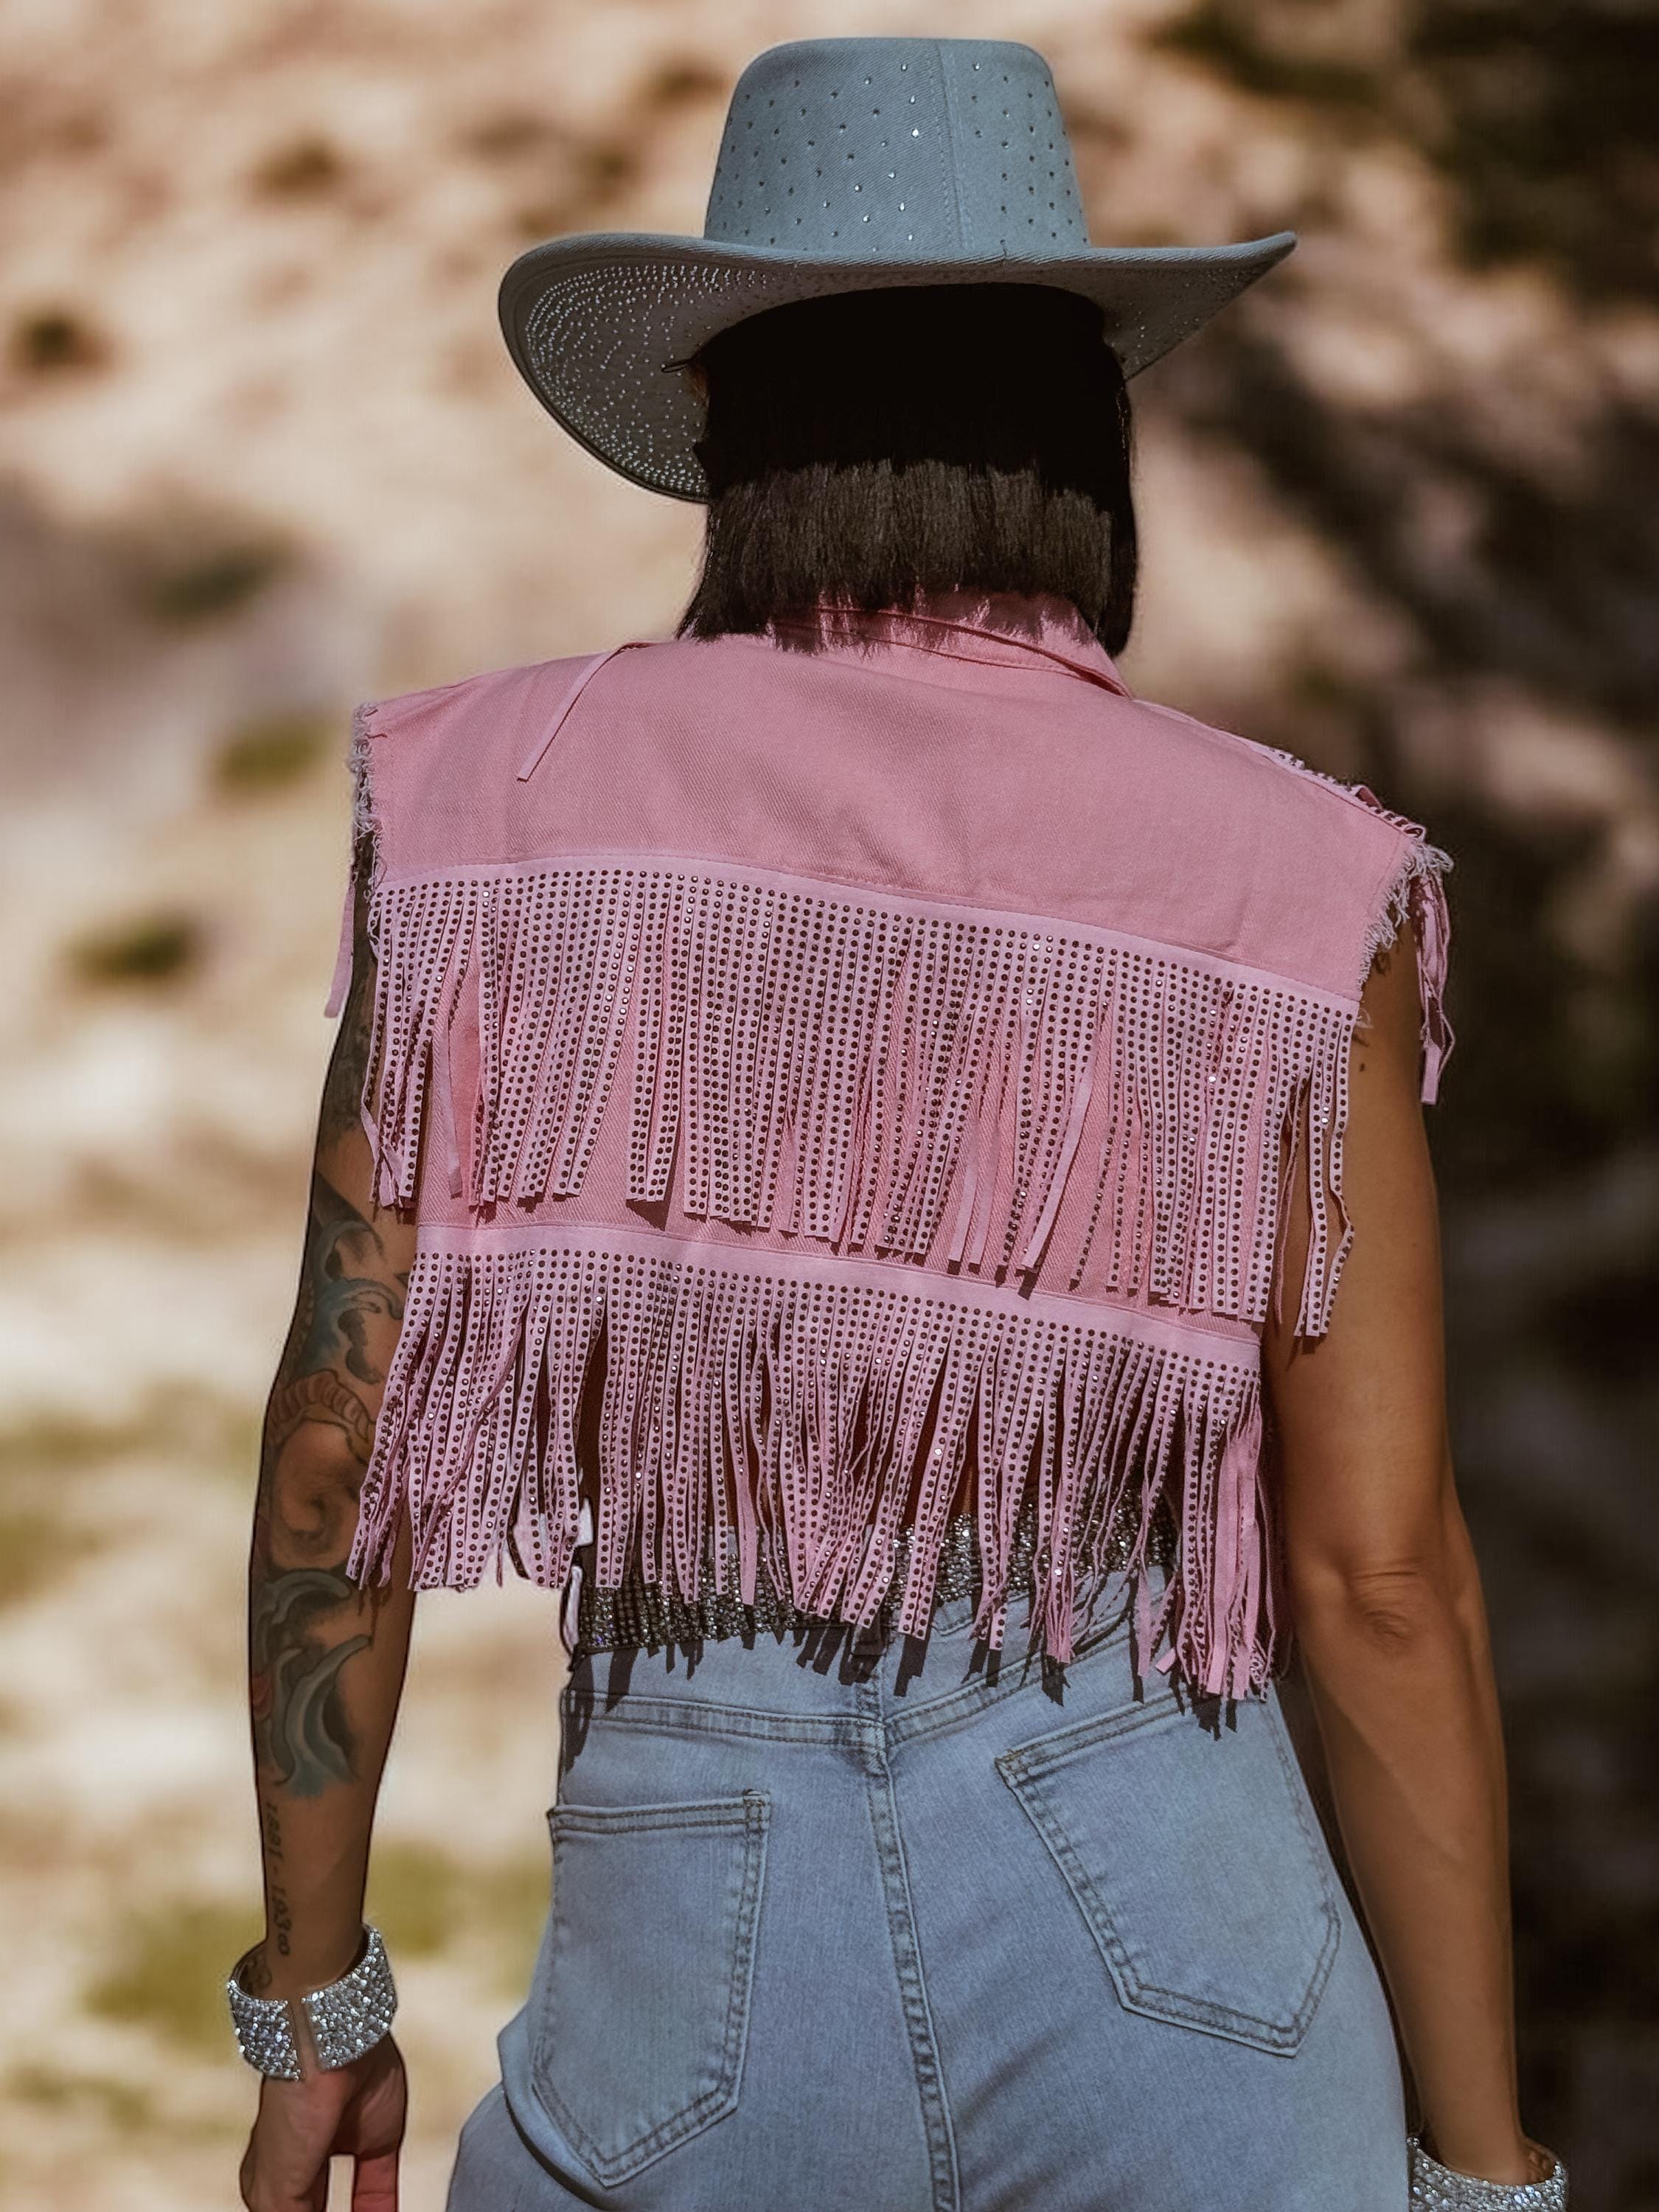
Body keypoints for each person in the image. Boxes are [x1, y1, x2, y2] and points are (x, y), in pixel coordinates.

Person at [230, 37, 1566, 2212]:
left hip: (694, 1946)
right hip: (1185, 1943)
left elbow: (333, 1455)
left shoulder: (485, 818)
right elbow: (1376, 1577)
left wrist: (313, 2012)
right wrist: (1486, 2168)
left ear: (724, 432)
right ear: (1089, 444)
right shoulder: (1293, 883)